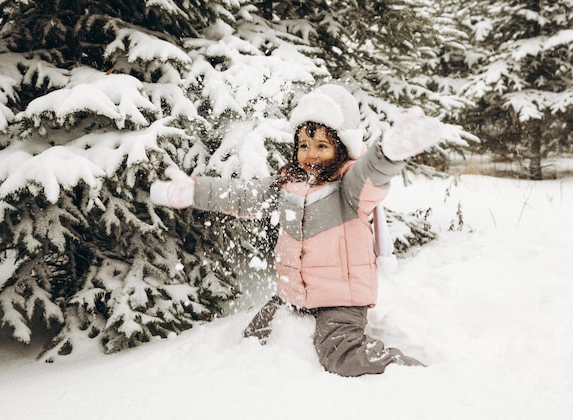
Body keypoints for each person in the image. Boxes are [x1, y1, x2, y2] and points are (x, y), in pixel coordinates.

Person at [150, 84, 444, 376]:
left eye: (321, 146)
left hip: (340, 300)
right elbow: (243, 195)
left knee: (341, 354)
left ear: (341, 148)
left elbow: (371, 175)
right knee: (254, 338)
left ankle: (409, 372)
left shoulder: (349, 188)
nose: (311, 154)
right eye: (304, 145)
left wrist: (387, 154)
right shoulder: (287, 183)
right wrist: (196, 191)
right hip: (294, 296)